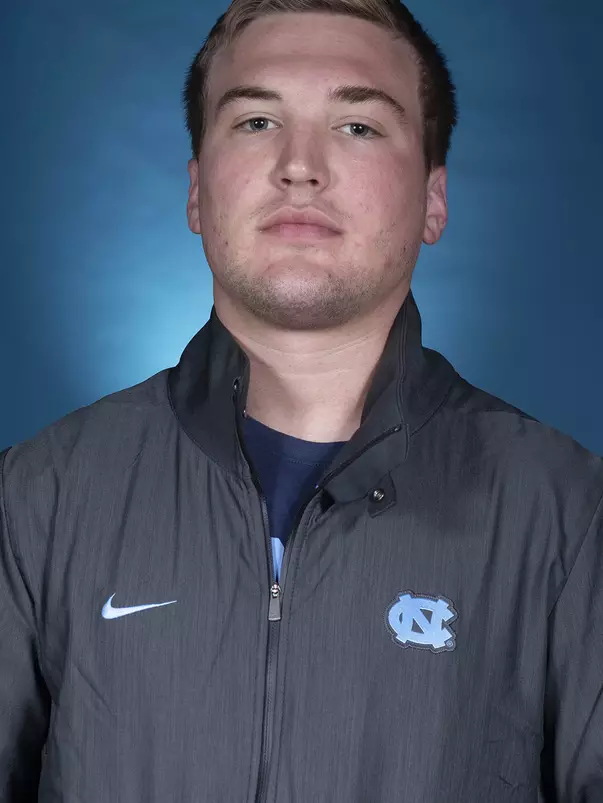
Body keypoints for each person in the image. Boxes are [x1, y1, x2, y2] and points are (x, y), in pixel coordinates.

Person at [1, 0, 602, 800]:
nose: (299, 165)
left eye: (357, 126)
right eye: (255, 122)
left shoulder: (566, 514)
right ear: (194, 192)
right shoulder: (35, 498)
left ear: (433, 199)